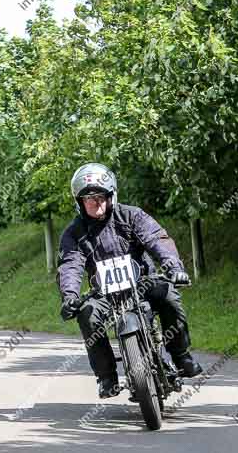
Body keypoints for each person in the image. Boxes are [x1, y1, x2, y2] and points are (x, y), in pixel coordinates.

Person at [56, 163, 204, 398]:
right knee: (87, 314)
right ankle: (106, 377)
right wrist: (70, 297)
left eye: (101, 196)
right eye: (89, 198)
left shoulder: (131, 215)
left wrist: (173, 267)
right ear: (80, 202)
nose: (97, 203)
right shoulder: (74, 233)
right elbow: (70, 265)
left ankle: (181, 356)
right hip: (105, 294)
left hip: (143, 284)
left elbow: (157, 239)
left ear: (111, 195)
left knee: (169, 295)